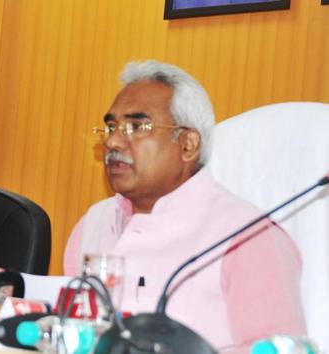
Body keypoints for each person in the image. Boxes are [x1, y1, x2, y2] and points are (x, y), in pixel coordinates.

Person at [63, 60, 306, 350]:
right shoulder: (93, 223)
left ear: (188, 144)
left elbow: (281, 349)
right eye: (112, 127)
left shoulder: (247, 236)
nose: (113, 141)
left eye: (137, 126)